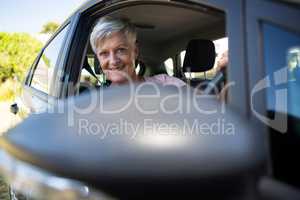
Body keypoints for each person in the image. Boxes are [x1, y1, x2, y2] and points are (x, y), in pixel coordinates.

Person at [90, 16, 186, 87]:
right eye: (104, 53)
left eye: (121, 50)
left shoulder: (165, 83)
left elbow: (198, 103)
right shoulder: (98, 101)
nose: (113, 61)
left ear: (135, 51)